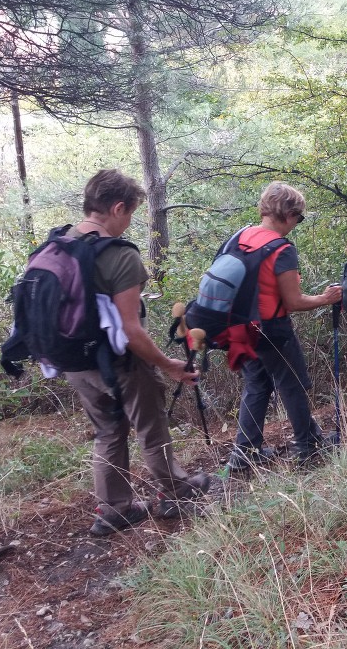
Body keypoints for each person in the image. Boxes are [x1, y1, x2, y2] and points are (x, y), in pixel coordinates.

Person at [62, 170, 210, 536]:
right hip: (118, 363)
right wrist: (166, 364)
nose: (129, 222)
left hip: (73, 362)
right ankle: (174, 492)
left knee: (108, 431)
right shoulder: (120, 255)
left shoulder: (62, 243)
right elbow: (131, 330)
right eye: (130, 213)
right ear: (116, 208)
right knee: (150, 425)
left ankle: (114, 509)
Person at [226, 182, 343, 470]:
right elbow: (293, 301)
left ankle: (244, 454)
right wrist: (325, 298)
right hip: (270, 329)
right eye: (299, 217)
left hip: (238, 326)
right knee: (291, 384)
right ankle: (308, 445)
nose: (297, 223)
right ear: (288, 214)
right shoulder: (281, 248)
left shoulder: (240, 236)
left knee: (257, 384)